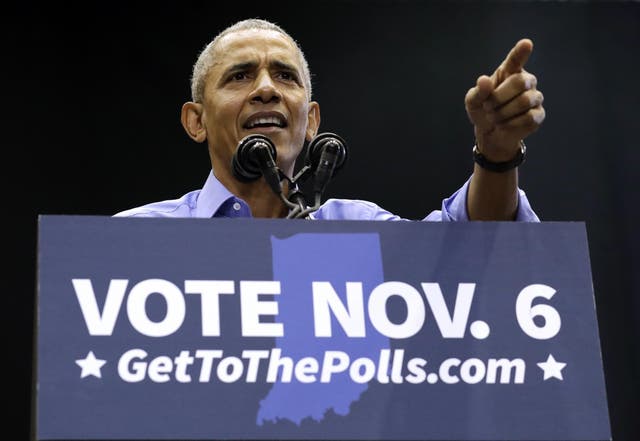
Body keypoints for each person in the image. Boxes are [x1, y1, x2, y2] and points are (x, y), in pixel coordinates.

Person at [114, 18, 544, 222]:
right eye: (240, 76)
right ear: (196, 121)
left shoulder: (356, 229)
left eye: (285, 76)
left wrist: (497, 150)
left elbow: (474, 251)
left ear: (312, 120)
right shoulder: (137, 239)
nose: (267, 89)